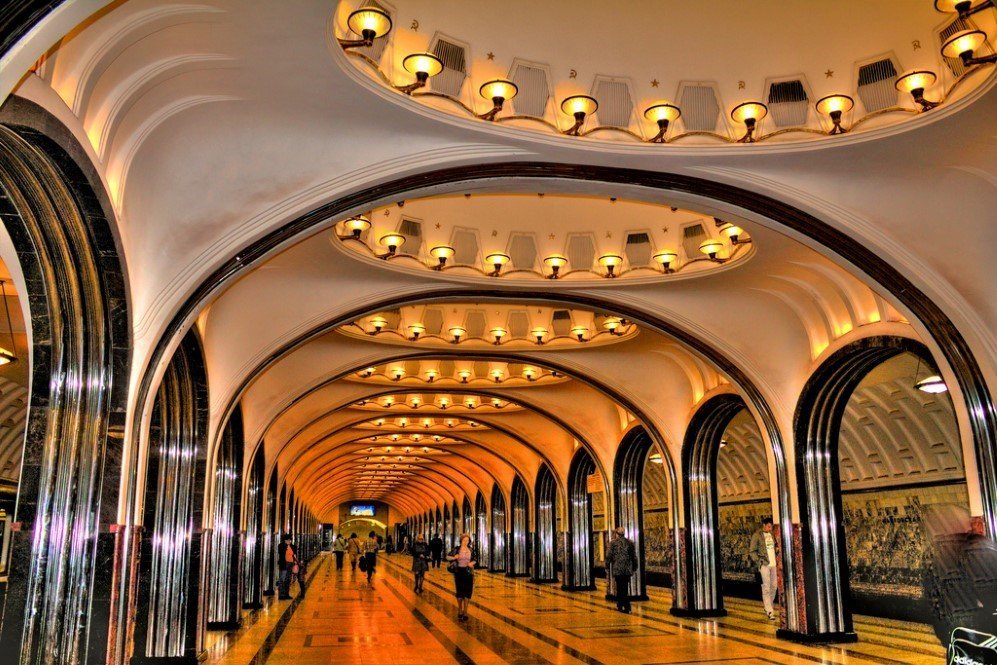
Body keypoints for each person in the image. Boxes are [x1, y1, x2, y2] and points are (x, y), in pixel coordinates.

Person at [749, 517, 778, 620]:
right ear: (764, 525)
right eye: (769, 526)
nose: (770, 528)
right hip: (764, 564)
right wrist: (759, 561)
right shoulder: (757, 535)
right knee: (766, 587)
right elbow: (752, 551)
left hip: (773, 564)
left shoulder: (772, 535)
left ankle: (767, 606)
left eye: (771, 527)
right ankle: (770, 610)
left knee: (774, 586)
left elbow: (774, 548)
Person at [606, 527, 638, 613]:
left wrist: (606, 566)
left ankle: (623, 605)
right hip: (627, 569)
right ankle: (623, 605)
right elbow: (634, 556)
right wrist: (635, 567)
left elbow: (608, 556)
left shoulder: (613, 543)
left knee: (620, 587)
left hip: (617, 569)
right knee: (624, 587)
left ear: (616, 534)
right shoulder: (630, 542)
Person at [446, 533, 476, 621]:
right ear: (461, 541)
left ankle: (465, 611)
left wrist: (471, 563)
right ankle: (460, 609)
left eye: (467, 540)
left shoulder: (471, 549)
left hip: (468, 572)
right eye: (464, 540)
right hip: (459, 571)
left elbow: (475, 559)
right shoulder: (457, 549)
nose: (466, 542)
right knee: (460, 591)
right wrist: (454, 557)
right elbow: (447, 557)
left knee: (468, 591)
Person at [277, 533, 299, 600]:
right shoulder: (281, 546)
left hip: (290, 564)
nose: (289, 541)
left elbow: (294, 555)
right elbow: (281, 552)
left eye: (290, 540)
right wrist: (286, 545)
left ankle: (286, 594)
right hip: (284, 564)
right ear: (285, 540)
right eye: (288, 540)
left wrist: (295, 562)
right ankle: (281, 595)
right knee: (282, 579)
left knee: (288, 580)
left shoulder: (292, 546)